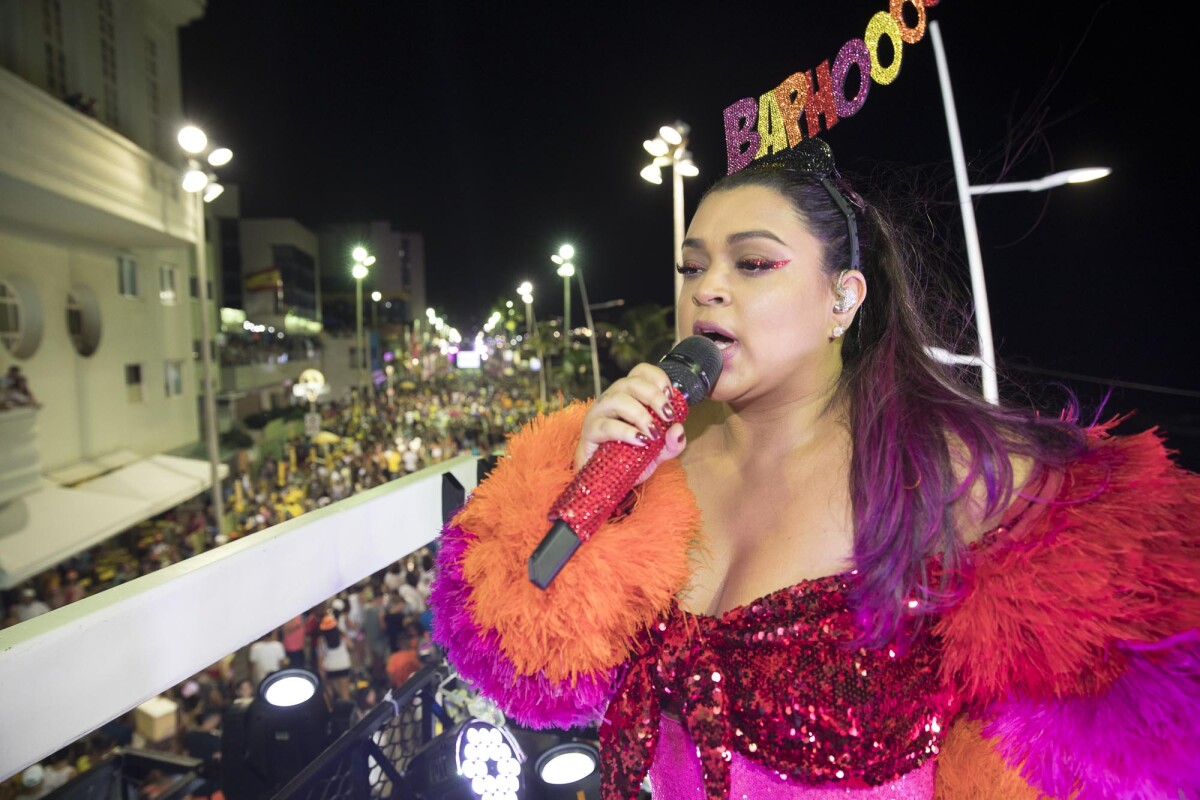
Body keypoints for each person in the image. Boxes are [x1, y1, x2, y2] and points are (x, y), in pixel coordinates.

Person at [429, 136, 1200, 799]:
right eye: (691, 267)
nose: (709, 288)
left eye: (754, 263)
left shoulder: (946, 468)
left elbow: (1153, 698)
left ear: (844, 298)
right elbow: (521, 669)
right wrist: (590, 489)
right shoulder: (651, 458)